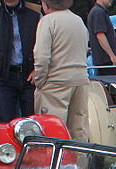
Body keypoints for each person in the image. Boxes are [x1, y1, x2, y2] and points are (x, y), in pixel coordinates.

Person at [33, 0, 89, 139]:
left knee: (52, 129)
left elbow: (41, 56)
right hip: (80, 79)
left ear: (46, 4)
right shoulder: (78, 21)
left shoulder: (47, 21)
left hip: (56, 81)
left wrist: (40, 81)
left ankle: (55, 160)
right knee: (78, 128)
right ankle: (80, 160)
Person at [0, 0, 40, 123]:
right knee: (6, 118)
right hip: (5, 75)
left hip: (29, 75)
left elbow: (42, 44)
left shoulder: (34, 12)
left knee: (31, 119)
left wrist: (38, 68)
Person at [88, 0, 116, 74]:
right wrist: (112, 56)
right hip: (105, 61)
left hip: (105, 60)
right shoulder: (98, 12)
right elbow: (100, 35)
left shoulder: (99, 11)